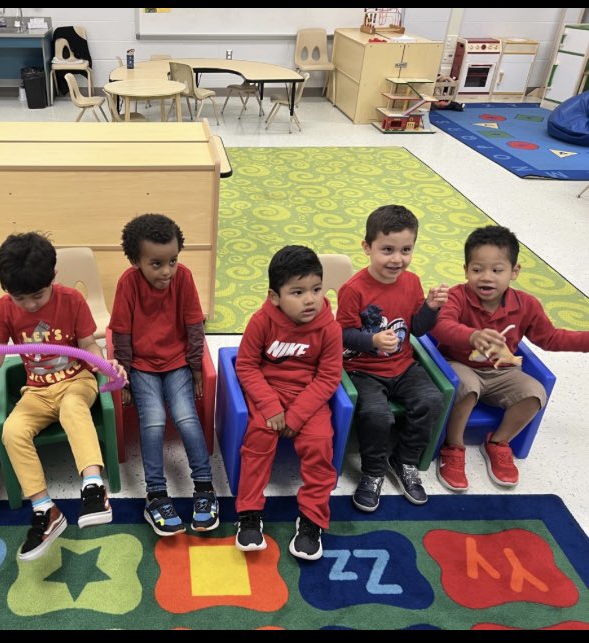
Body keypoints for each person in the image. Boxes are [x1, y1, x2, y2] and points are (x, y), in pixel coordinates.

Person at [0, 232, 126, 561]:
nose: (29, 305)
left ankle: (93, 486)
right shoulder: (3, 309)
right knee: (12, 430)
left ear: (53, 277)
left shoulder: (72, 300)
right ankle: (44, 509)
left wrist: (103, 361)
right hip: (36, 391)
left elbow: (88, 345)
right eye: (19, 298)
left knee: (71, 408)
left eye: (36, 296)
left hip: (77, 380)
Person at [431, 225, 589, 490]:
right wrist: (471, 336)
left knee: (534, 391)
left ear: (514, 271)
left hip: (501, 371)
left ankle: (498, 443)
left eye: (497, 269)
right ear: (466, 270)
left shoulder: (526, 305)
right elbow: (440, 325)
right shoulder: (457, 296)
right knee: (466, 387)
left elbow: (550, 338)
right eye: (477, 269)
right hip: (457, 365)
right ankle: (453, 447)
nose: (486, 277)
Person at [109, 213, 218, 536]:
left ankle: (204, 488)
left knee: (186, 418)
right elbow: (121, 335)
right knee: (153, 421)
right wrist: (124, 377)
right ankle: (155, 495)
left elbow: (194, 326)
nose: (167, 271)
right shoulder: (127, 284)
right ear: (135, 261)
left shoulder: (183, 278)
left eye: (172, 260)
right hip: (141, 367)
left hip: (178, 364)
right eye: (156, 264)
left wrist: (197, 367)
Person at [337, 205, 448, 513]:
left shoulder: (411, 282)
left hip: (402, 365)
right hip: (362, 369)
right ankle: (373, 472)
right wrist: (371, 340)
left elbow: (419, 329)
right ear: (367, 247)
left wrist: (430, 307)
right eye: (387, 249)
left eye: (406, 250)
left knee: (431, 399)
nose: (397, 259)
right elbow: (342, 334)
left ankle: (405, 460)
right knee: (377, 415)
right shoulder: (353, 289)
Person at [234, 245, 342, 560]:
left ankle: (312, 520)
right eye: (298, 292)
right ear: (274, 296)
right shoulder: (261, 321)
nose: (310, 299)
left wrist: (295, 417)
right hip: (269, 392)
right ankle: (250, 512)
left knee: (321, 445)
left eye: (316, 289)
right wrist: (271, 407)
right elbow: (246, 366)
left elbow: (328, 377)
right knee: (258, 439)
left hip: (308, 398)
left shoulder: (329, 329)